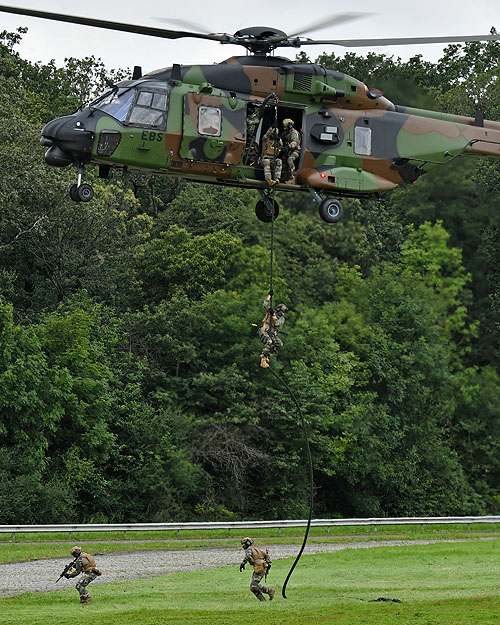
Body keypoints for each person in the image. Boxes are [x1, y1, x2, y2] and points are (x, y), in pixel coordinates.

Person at [239, 537, 274, 601]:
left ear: (247, 543)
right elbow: (266, 555)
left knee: (253, 586)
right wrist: (269, 563)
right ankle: (263, 600)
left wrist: (242, 564)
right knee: (252, 587)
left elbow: (248, 556)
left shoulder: (249, 550)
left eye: (243, 544)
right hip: (260, 568)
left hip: (260, 569)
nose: (242, 545)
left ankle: (269, 590)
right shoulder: (255, 549)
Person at [258, 293, 288, 368]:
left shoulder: (281, 319)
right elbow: (265, 304)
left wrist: (273, 315)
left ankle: (267, 355)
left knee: (279, 344)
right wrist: (269, 295)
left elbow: (277, 324)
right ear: (279, 310)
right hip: (264, 330)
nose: (283, 314)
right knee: (269, 341)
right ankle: (263, 358)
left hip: (273, 333)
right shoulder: (270, 312)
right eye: (282, 312)